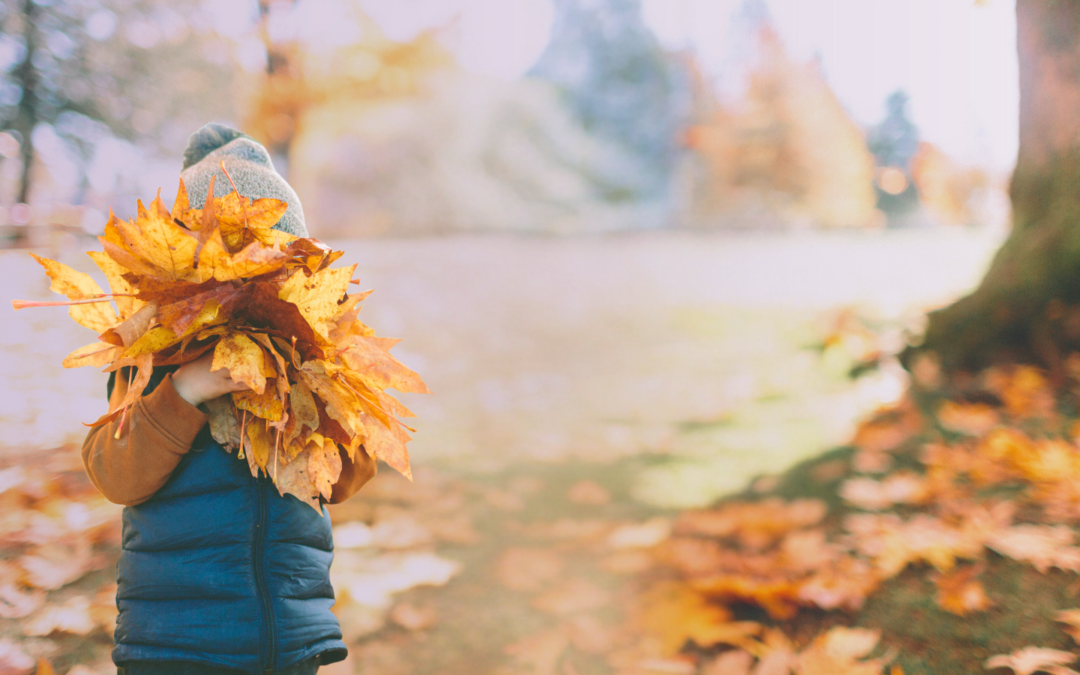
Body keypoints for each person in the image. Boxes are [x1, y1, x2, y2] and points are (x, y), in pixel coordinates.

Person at [81, 124, 378, 675]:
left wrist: (320, 395)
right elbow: (114, 473)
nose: (248, 285)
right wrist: (185, 390)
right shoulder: (152, 356)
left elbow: (349, 477)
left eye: (273, 266)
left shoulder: (307, 356)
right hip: (174, 642)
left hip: (288, 637)